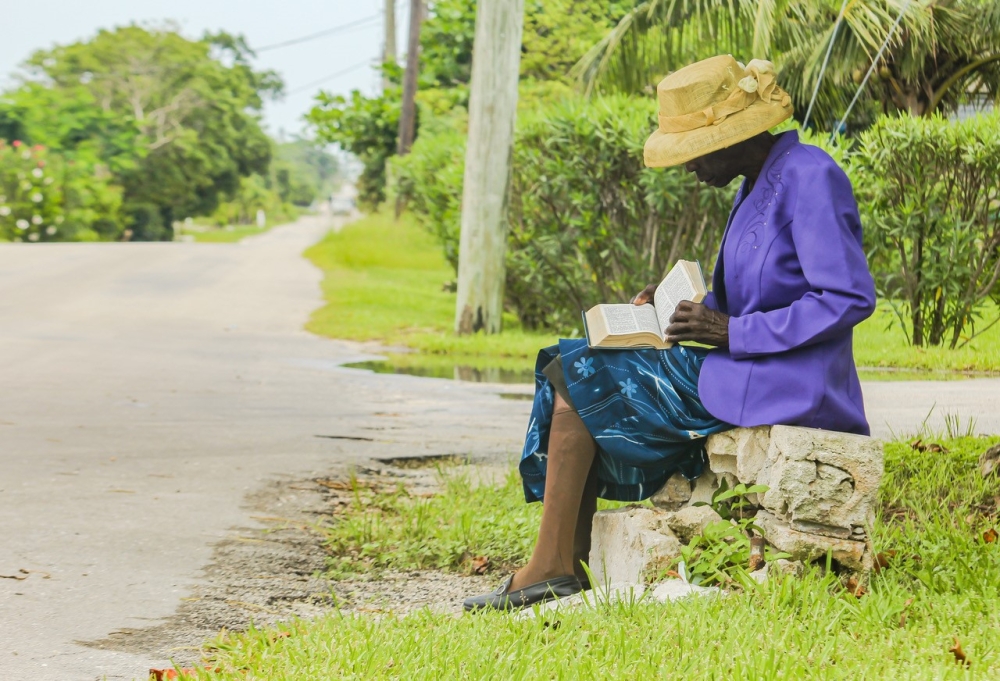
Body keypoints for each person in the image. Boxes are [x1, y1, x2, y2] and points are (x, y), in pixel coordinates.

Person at [463, 55, 876, 612]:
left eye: (689, 153)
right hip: (747, 364)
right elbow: (747, 303)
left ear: (726, 138)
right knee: (569, 360)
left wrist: (729, 329)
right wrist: (672, 315)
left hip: (794, 382)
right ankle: (560, 559)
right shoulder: (752, 184)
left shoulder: (810, 175)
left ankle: (555, 566)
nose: (686, 168)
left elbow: (847, 297)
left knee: (581, 369)